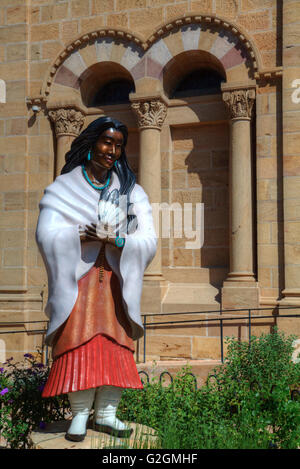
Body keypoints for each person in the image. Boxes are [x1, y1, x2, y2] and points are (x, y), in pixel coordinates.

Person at [36, 116, 157, 441]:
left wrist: (116, 240)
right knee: (79, 343)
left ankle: (107, 414)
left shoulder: (131, 192)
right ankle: (79, 415)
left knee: (115, 346)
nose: (112, 151)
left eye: (118, 145)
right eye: (107, 142)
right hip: (80, 285)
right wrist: (80, 234)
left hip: (116, 284)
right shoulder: (64, 189)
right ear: (90, 145)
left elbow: (147, 239)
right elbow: (45, 233)